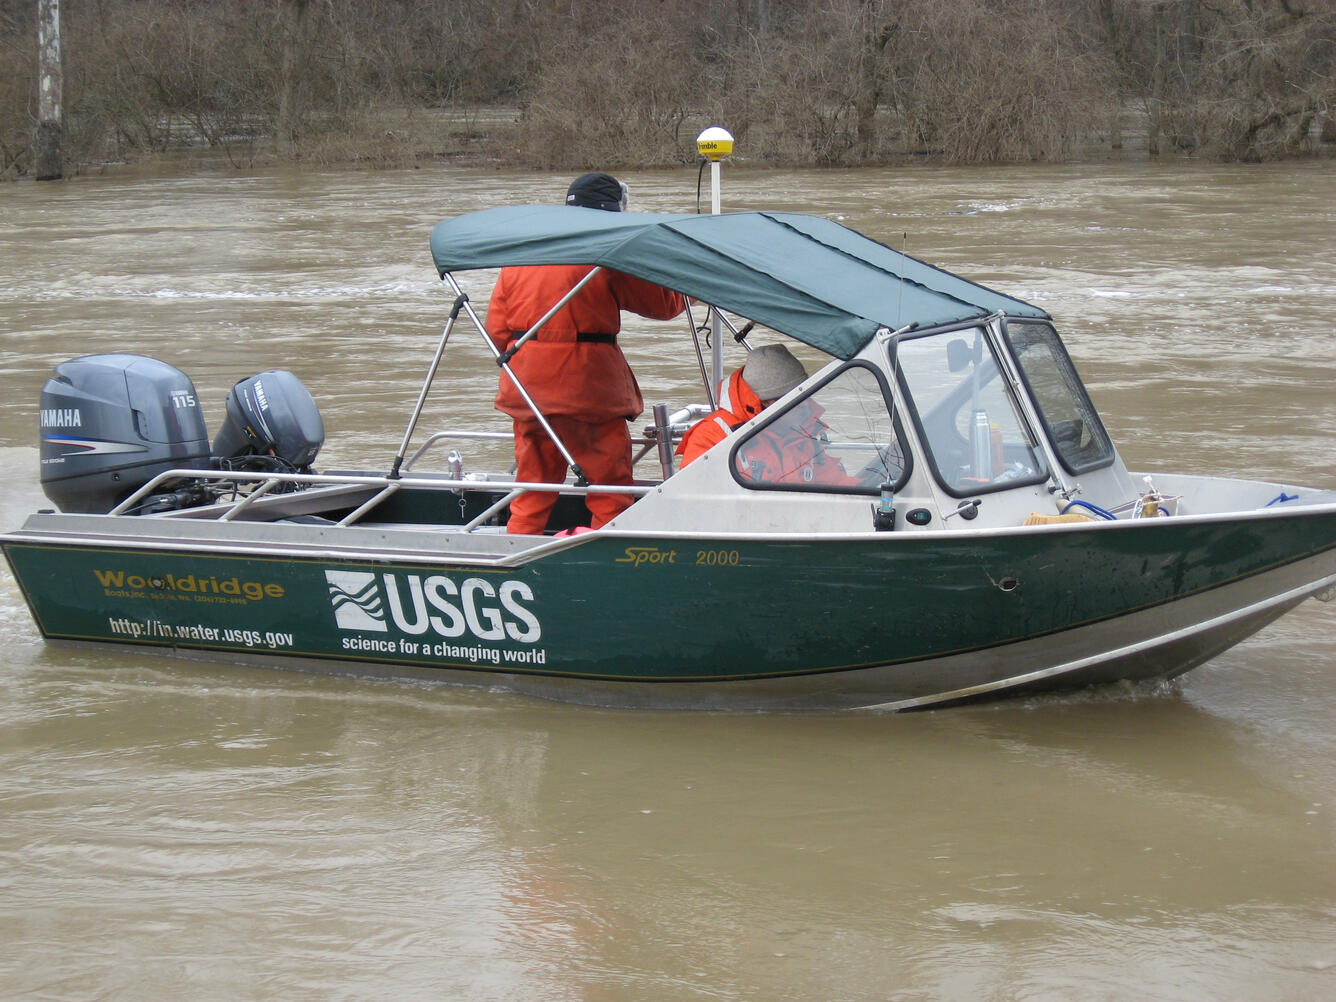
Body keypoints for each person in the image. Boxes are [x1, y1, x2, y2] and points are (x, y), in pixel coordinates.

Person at [486, 172, 686, 534]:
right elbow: (662, 305)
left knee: (532, 490)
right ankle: (604, 563)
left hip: (527, 390)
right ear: (614, 212)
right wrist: (689, 284)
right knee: (610, 489)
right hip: (589, 392)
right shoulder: (608, 252)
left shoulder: (521, 255)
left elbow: (498, 331)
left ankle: (516, 555)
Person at [678, 343, 864, 488]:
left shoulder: (801, 431)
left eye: (805, 395)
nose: (806, 405)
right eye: (796, 399)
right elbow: (693, 501)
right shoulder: (712, 437)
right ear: (768, 403)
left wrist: (869, 495)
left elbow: (833, 481)